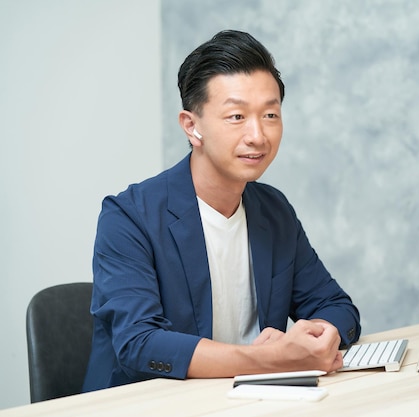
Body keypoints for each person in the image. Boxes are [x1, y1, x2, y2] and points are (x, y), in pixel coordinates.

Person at [82, 30, 361, 392]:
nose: (258, 135)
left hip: (247, 401)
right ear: (192, 126)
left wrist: (325, 336)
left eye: (270, 114)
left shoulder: (274, 210)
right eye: (236, 116)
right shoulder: (129, 216)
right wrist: (273, 359)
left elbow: (336, 305)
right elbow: (139, 344)